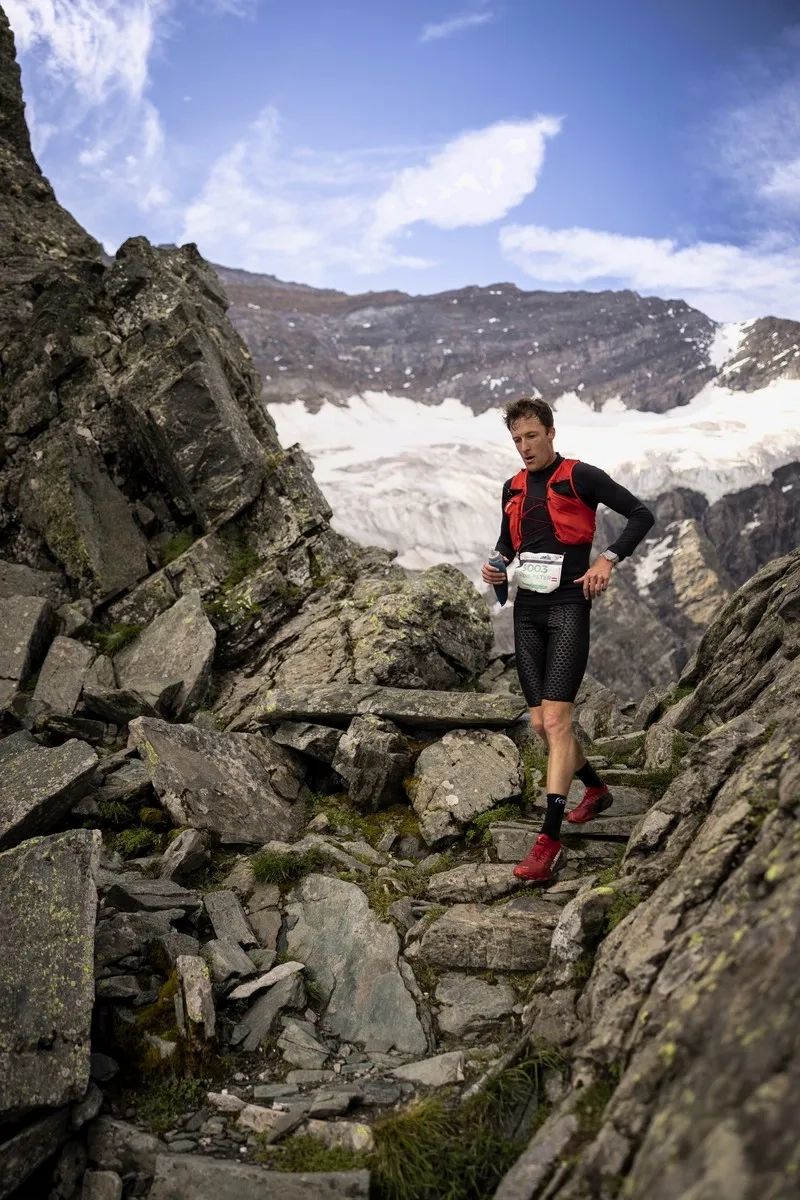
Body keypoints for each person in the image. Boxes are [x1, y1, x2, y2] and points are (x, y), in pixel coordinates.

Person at [482, 396, 655, 882]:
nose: (524, 447)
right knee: (542, 724)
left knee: (557, 720)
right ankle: (596, 790)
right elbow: (508, 541)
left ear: (551, 433)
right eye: (517, 439)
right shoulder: (512, 487)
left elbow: (641, 514)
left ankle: (549, 842)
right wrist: (497, 562)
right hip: (527, 610)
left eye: (531, 436)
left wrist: (607, 559)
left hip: (568, 607)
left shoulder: (581, 476)